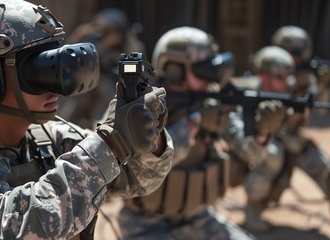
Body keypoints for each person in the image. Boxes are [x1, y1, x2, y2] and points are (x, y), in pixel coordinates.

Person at [0, 0, 173, 239]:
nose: (55, 83)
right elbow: (15, 229)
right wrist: (112, 143)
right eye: (39, 67)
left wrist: (147, 131)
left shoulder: (51, 139)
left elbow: (136, 179)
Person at [115, 26, 255, 240]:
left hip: (198, 218)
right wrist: (192, 125)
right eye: (202, 71)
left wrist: (261, 133)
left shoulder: (211, 102)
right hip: (146, 225)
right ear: (175, 70)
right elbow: (138, 169)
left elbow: (248, 151)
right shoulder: (139, 108)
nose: (210, 80)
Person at [225, 46, 330, 232]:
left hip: (287, 144)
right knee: (273, 154)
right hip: (255, 154)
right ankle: (253, 209)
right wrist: (261, 132)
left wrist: (320, 86)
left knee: (314, 158)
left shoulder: (290, 90)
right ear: (264, 76)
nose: (288, 82)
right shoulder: (248, 95)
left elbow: (319, 109)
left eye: (289, 76)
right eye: (280, 77)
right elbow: (240, 141)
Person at [57, 8, 146, 129]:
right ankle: (66, 126)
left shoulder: (130, 44)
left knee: (106, 92)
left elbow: (136, 67)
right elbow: (71, 58)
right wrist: (80, 38)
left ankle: (102, 125)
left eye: (108, 30)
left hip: (113, 86)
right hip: (86, 84)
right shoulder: (92, 38)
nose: (103, 33)